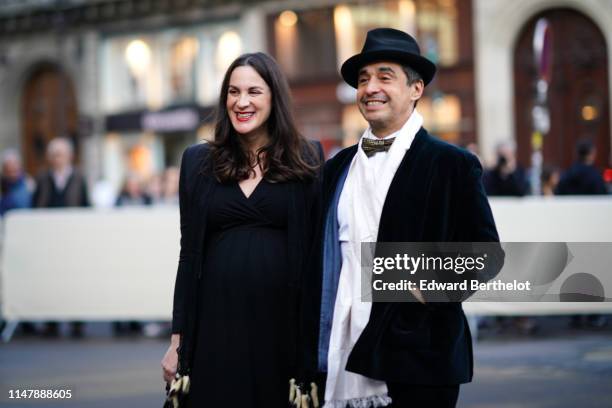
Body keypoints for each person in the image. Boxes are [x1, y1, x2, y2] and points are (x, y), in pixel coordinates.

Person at [300, 28, 501, 408]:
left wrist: (425, 291)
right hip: (340, 350)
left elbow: (486, 254)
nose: (370, 87)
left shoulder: (451, 164)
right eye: (363, 80)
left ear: (416, 89)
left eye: (384, 76)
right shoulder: (336, 167)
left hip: (420, 357)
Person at [161, 52, 322, 407]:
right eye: (233, 92)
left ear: (274, 97)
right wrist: (177, 342)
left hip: (284, 330)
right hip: (214, 328)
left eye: (253, 91)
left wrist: (314, 344)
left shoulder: (308, 157)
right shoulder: (197, 161)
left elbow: (315, 255)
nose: (241, 101)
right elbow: (188, 256)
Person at [33, 137, 89, 338]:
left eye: (61, 154)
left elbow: (85, 205)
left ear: (70, 156)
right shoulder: (42, 178)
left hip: (73, 238)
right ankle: (51, 321)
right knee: (50, 278)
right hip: (49, 239)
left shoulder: (79, 177)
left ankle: (77, 321)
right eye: (54, 155)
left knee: (75, 278)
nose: (58, 159)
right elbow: (35, 205)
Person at [0, 149, 32, 216]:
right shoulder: (2, 185)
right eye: (9, 170)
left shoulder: (29, 184)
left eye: (14, 169)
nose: (12, 169)